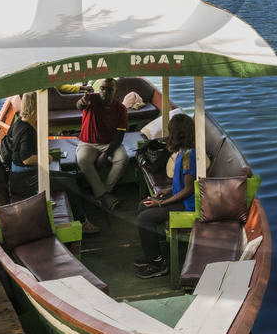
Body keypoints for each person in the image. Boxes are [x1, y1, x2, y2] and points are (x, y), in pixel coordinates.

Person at [2, 95, 100, 235]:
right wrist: (45, 158)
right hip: (24, 180)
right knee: (69, 184)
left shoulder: (19, 122)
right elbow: (26, 159)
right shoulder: (26, 130)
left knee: (72, 178)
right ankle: (82, 223)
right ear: (36, 108)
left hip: (27, 174)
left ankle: (81, 212)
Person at [133, 113, 195, 279]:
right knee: (143, 205)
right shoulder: (183, 152)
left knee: (145, 218)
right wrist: (166, 192)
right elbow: (182, 185)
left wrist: (162, 203)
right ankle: (151, 256)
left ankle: (158, 264)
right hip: (180, 197)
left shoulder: (189, 157)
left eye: (171, 131)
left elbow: (188, 190)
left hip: (188, 204)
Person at [75, 77, 129, 209]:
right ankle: (104, 195)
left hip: (109, 143)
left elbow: (119, 136)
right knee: (82, 159)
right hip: (88, 142)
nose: (105, 91)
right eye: (102, 88)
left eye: (109, 89)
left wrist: (106, 154)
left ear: (115, 92)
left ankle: (103, 192)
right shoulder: (91, 99)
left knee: (123, 158)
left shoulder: (121, 109)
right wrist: (81, 103)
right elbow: (80, 105)